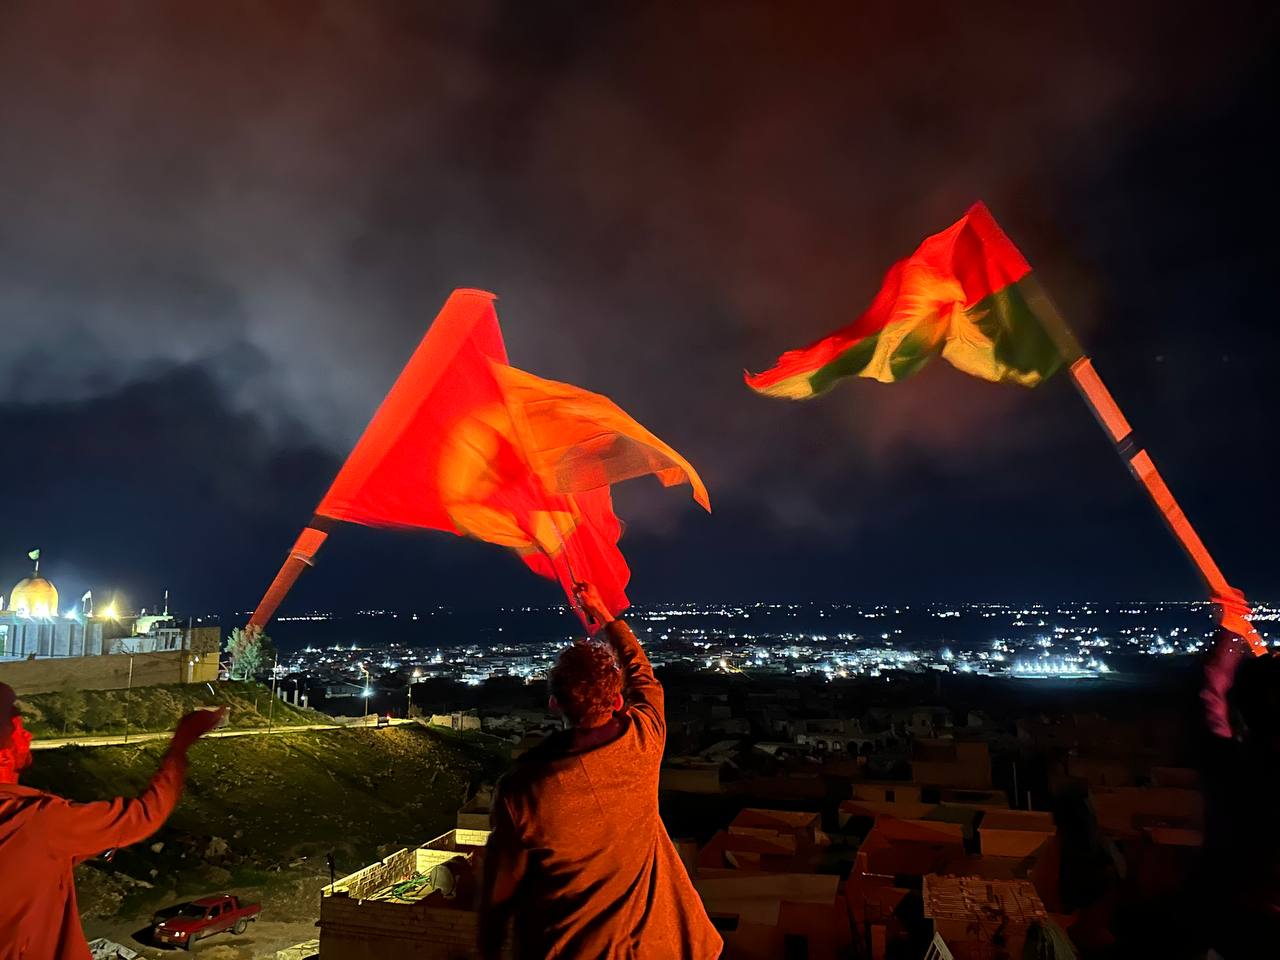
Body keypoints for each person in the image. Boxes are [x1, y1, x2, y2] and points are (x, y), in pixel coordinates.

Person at [479, 582, 722, 959]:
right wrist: (605, 615)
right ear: (618, 699)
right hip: (659, 947)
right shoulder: (643, 740)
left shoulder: (523, 790)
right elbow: (644, 677)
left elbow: (500, 892)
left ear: (555, 703)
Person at [0, 681, 225, 960]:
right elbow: (146, 813)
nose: (29, 735)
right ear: (3, 752)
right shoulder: (38, 820)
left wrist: (94, 843)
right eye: (18, 728)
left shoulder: (32, 825)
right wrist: (180, 745)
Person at [1199, 589, 1280, 957]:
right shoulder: (1237, 765)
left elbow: (1210, 700)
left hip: (1239, 920)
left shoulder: (1234, 766)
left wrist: (1230, 635)